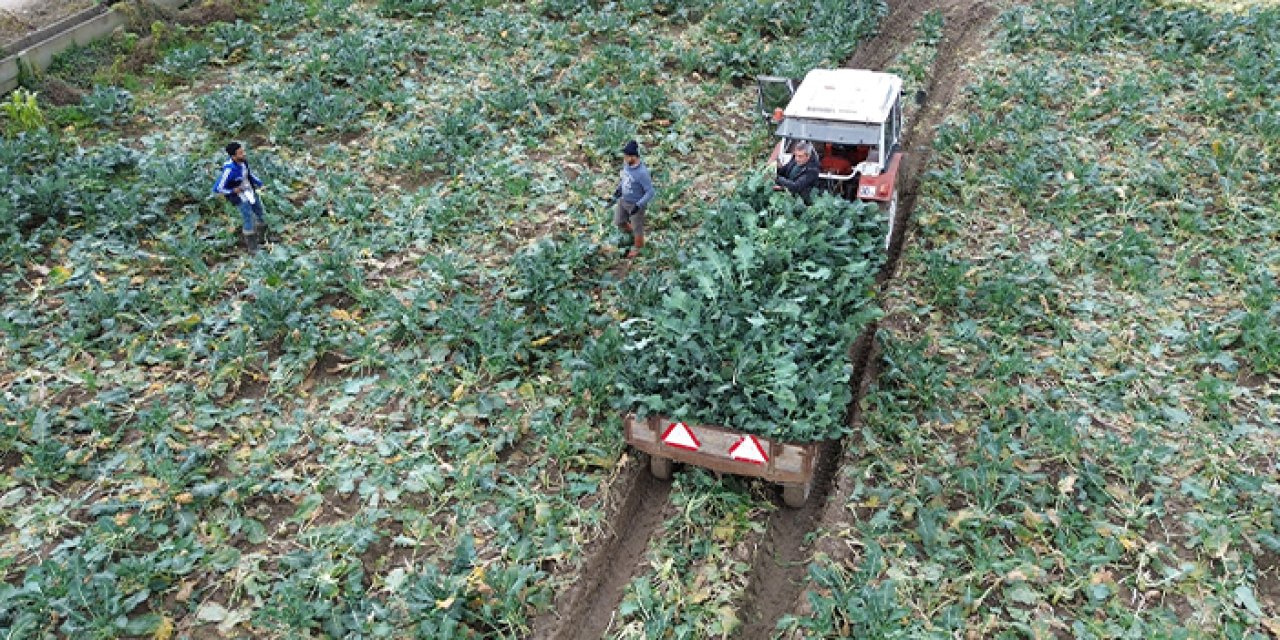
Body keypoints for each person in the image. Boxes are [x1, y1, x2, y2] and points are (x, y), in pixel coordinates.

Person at [212, 142, 270, 253]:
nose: (244, 154)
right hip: (240, 196)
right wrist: (232, 191)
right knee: (248, 216)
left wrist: (260, 183)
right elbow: (218, 188)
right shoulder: (229, 170)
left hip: (249, 190)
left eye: (243, 151)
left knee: (259, 211)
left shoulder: (243, 162)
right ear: (233, 156)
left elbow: (249, 175)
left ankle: (262, 239)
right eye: (240, 153)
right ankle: (252, 247)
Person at [612, 139, 656, 258]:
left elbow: (650, 192)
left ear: (633, 157)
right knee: (619, 221)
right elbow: (625, 179)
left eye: (627, 156)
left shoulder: (642, 173)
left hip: (635, 203)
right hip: (624, 200)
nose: (624, 158)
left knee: (638, 227)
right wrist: (619, 190)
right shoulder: (627, 165)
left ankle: (638, 246)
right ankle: (634, 233)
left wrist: (639, 205)